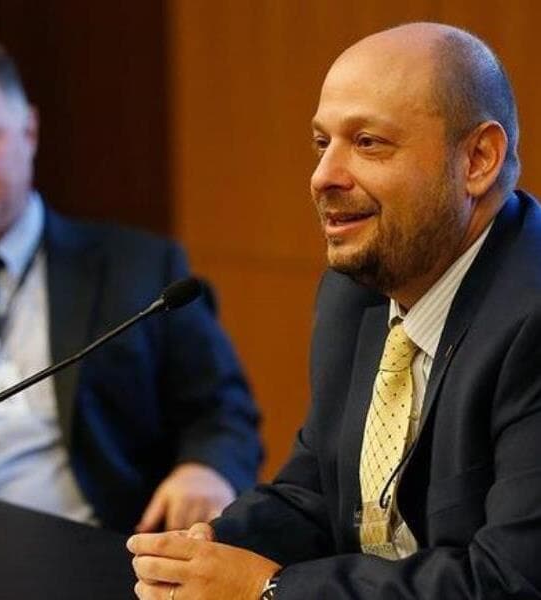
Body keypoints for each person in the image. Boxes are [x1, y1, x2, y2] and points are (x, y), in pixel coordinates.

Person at [127, 21, 541, 599]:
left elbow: (507, 584)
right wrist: (204, 552)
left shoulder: (531, 319)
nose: (323, 176)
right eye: (323, 143)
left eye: (368, 142)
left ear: (478, 159)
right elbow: (314, 495)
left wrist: (267, 590)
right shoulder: (355, 294)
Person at [0, 33, 262, 534]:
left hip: (82, 548)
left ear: (29, 130)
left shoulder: (138, 269)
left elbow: (222, 412)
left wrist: (206, 469)